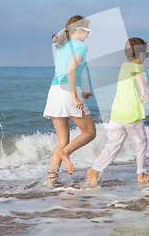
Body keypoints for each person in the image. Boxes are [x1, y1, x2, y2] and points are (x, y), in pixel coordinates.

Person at [87, 37, 149, 187]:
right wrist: (143, 91)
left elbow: (134, 77)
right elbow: (137, 74)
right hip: (130, 113)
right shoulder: (139, 67)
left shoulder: (124, 67)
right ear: (141, 55)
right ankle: (141, 174)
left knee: (114, 144)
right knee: (141, 142)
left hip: (117, 113)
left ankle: (95, 169)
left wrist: (144, 83)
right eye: (146, 55)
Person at [43, 15, 97, 182]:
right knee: (89, 132)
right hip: (68, 92)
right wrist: (75, 96)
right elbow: (71, 70)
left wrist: (82, 91)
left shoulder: (61, 48)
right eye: (87, 31)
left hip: (54, 91)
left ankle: (51, 179)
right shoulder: (81, 46)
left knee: (62, 140)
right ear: (79, 30)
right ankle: (66, 153)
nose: (88, 35)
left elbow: (57, 74)